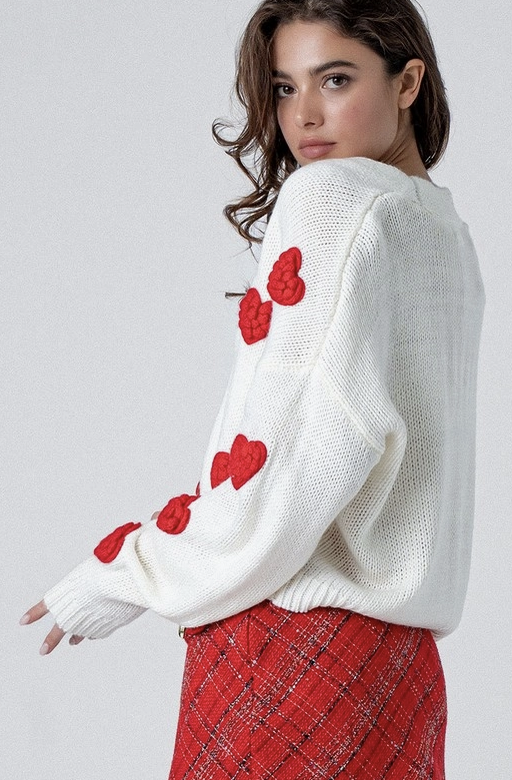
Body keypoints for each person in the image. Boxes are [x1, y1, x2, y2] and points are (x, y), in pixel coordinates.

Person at [20, 0, 485, 777]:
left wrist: (127, 570)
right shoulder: (444, 234)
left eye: (335, 80)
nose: (304, 115)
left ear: (408, 83)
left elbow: (287, 458)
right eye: (283, 87)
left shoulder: (331, 200)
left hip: (290, 658)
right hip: (401, 679)